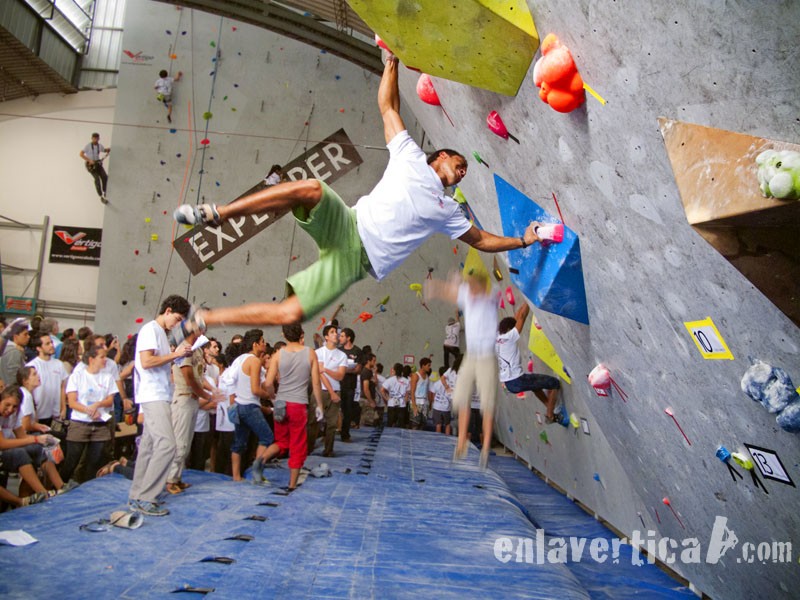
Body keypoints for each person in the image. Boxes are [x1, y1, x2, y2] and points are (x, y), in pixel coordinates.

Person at [170, 52, 542, 339]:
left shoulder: (449, 209)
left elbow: (483, 239)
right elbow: (388, 106)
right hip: (347, 222)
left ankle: (205, 318)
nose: (463, 170)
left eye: (464, 171)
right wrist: (391, 60)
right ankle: (220, 212)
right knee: (313, 188)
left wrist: (521, 241)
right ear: (441, 156)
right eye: (460, 163)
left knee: (290, 315)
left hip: (356, 262)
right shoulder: (410, 155)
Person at [425, 272, 499, 469]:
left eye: (475, 289)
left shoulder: (490, 299)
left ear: (482, 289)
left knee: (487, 404)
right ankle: (461, 443)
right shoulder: (468, 295)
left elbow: (466, 290)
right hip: (471, 355)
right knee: (461, 398)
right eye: (470, 289)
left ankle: (484, 448)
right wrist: (435, 286)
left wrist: (452, 284)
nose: (471, 293)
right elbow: (450, 293)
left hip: (486, 357)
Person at [128, 295, 193, 517]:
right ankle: (147, 496)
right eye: (177, 318)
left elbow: (156, 362)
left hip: (159, 393)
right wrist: (176, 354)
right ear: (167, 311)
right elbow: (146, 362)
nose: (177, 324)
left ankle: (137, 494)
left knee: (148, 446)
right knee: (167, 445)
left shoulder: (161, 334)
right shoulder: (150, 330)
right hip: (153, 394)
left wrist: (174, 356)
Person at [261, 324, 324, 491]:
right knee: (297, 443)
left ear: (284, 334)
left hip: (281, 402)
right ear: (302, 334)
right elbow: (316, 382)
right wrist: (319, 405)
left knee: (282, 441)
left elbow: (268, 383)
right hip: (298, 404)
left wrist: (274, 396)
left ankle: (260, 460)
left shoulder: (277, 355)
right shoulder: (310, 353)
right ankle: (292, 484)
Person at [167, 335, 219, 494]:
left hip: (192, 400)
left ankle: (177, 477)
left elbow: (199, 377)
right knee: (179, 442)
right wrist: (207, 395)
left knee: (186, 443)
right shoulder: (184, 348)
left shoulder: (196, 351)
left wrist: (212, 391)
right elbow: (189, 378)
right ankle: (170, 480)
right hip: (183, 398)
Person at [0, 387, 69, 503]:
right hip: (3, 451)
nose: (10, 409)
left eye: (14, 406)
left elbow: (22, 436)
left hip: (8, 449)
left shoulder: (14, 414)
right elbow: (2, 444)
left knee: (39, 448)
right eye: (7, 405)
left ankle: (61, 487)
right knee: (20, 453)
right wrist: (35, 439)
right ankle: (43, 493)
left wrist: (47, 441)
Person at [60, 344, 117, 484]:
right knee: (73, 459)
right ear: (91, 359)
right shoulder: (77, 376)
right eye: (102, 357)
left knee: (95, 460)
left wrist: (97, 405)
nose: (105, 360)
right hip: (80, 423)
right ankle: (60, 484)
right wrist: (88, 410)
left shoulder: (107, 377)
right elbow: (72, 402)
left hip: (100, 424)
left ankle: (88, 486)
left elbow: (110, 400)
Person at [497, 303, 561, 422]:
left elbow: (516, 318)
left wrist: (523, 304)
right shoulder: (510, 337)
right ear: (510, 329)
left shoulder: (498, 338)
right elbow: (521, 317)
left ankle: (549, 406)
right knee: (554, 383)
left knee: (535, 386)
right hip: (517, 380)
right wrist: (529, 300)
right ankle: (550, 416)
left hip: (509, 384)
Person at [230, 329, 274, 483]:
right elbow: (255, 389)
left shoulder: (240, 359)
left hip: (238, 405)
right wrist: (268, 396)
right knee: (267, 436)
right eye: (262, 341)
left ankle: (236, 477)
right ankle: (257, 470)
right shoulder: (254, 361)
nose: (265, 344)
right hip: (250, 406)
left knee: (239, 443)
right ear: (255, 344)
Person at [315, 325, 347, 457]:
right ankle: (308, 446)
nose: (336, 334)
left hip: (336, 389)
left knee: (332, 423)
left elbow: (340, 376)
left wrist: (327, 370)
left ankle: (328, 450)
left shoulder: (342, 355)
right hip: (320, 390)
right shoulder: (319, 352)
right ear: (326, 337)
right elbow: (319, 373)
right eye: (332, 332)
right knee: (313, 421)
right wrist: (331, 392)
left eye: (337, 332)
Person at [26, 333, 69, 426]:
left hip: (56, 414)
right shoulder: (32, 366)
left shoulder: (59, 364)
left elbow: (62, 387)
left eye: (51, 342)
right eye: (47, 344)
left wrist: (63, 408)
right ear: (38, 348)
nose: (51, 345)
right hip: (39, 414)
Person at [337, 328, 362, 442]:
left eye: (342, 336)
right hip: (337, 385)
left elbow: (358, 369)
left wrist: (344, 370)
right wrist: (345, 370)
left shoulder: (357, 351)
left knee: (347, 411)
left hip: (350, 386)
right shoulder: (338, 351)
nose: (340, 338)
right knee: (334, 410)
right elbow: (336, 368)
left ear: (348, 338)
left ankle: (345, 434)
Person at [79, 132, 110, 203]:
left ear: (98, 139)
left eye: (97, 138)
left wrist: (107, 150)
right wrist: (89, 160)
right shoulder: (88, 146)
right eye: (94, 138)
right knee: (97, 179)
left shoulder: (99, 146)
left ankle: (105, 191)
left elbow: (104, 150)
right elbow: (81, 154)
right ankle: (101, 196)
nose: (95, 140)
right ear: (92, 138)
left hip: (97, 163)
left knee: (104, 176)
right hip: (90, 165)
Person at [0, 320, 30, 389]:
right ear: (15, 336)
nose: (28, 337)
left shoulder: (7, 348)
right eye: (25, 334)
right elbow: (13, 377)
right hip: (11, 391)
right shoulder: (14, 352)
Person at [409, 357, 432, 429]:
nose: (429, 367)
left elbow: (427, 390)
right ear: (423, 366)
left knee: (423, 425)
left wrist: (430, 403)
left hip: (425, 403)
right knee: (415, 425)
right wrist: (414, 406)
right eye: (428, 365)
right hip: (417, 402)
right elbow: (412, 391)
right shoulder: (415, 376)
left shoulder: (427, 376)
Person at [430, 366, 452, 435]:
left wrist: (434, 402)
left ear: (439, 374)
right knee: (447, 424)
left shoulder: (436, 383)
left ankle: (438, 439)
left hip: (437, 406)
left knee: (438, 424)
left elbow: (433, 395)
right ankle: (448, 438)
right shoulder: (450, 384)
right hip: (447, 407)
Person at [359, 353, 379, 427]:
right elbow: (366, 389)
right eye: (373, 361)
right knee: (367, 421)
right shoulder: (365, 372)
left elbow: (375, 382)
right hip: (366, 399)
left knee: (373, 419)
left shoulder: (370, 372)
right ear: (368, 361)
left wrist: (375, 372)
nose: (375, 363)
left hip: (370, 398)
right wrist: (371, 401)